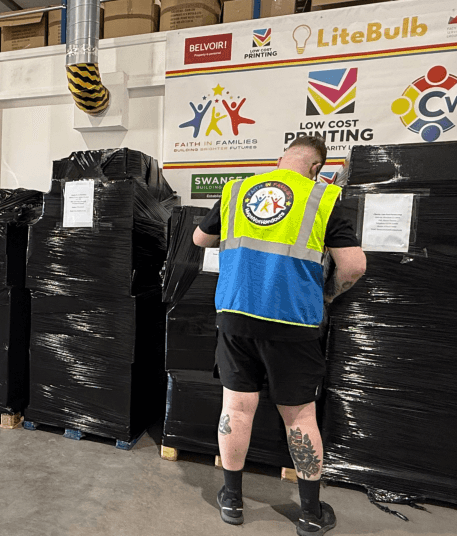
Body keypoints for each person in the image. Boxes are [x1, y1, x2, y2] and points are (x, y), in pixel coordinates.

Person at [192, 135, 366, 535]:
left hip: (235, 315)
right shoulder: (323, 197)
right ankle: (309, 512)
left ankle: (232, 500)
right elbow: (354, 266)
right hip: (294, 323)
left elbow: (202, 239)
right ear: (317, 167)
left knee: (236, 409)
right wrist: (328, 294)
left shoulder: (238, 189)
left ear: (279, 160)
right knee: (300, 415)